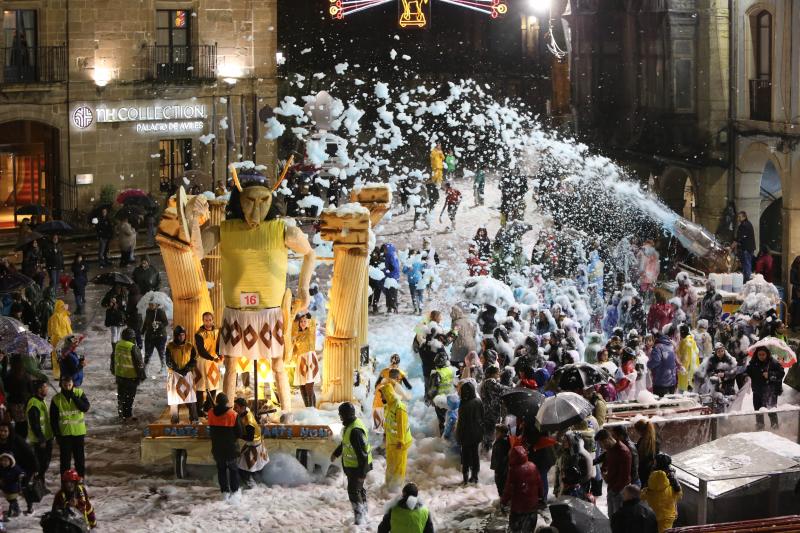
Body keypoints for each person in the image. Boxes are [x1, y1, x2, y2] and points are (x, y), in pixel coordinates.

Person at [330, 402, 373, 526]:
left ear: (346, 415)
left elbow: (362, 454)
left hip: (358, 468)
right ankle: (363, 514)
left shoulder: (355, 431)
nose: (340, 417)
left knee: (354, 492)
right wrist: (336, 453)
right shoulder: (351, 427)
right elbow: (345, 443)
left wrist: (361, 473)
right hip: (354, 467)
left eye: (341, 415)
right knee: (358, 490)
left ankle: (360, 519)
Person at [49, 375, 89, 478]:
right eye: (65, 385)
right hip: (64, 435)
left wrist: (74, 397)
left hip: (78, 433)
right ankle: (65, 483)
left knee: (80, 460)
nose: (67, 387)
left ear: (73, 384)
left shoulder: (79, 393)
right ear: (61, 385)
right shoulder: (56, 399)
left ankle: (80, 480)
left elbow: (85, 408)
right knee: (65, 462)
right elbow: (53, 419)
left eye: (69, 384)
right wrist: (57, 435)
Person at [501, 446, 543, 532]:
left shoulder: (513, 470)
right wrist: (541, 497)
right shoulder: (533, 466)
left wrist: (503, 502)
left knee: (516, 530)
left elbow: (508, 488)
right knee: (529, 530)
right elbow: (539, 483)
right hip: (532, 506)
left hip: (518, 508)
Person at [207, 393, 240, 498]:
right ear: (226, 402)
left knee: (221, 469)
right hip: (230, 448)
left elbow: (210, 429)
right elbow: (239, 432)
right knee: (233, 470)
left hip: (217, 447)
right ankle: (234, 491)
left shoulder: (210, 413)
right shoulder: (233, 414)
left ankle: (224, 492)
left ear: (216, 401)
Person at [381, 382, 412, 490]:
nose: (381, 397)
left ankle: (397, 486)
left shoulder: (399, 407)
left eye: (382, 395)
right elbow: (388, 423)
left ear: (388, 394)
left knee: (399, 465)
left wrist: (401, 441)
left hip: (399, 443)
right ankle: (390, 484)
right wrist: (385, 435)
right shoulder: (388, 406)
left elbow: (401, 425)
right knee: (391, 463)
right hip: (391, 441)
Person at [595, 428, 632, 517]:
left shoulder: (623, 452)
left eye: (601, 443)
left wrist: (614, 491)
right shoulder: (610, 449)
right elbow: (607, 461)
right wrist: (604, 470)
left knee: (618, 518)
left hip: (619, 491)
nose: (602, 447)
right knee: (611, 517)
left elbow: (625, 477)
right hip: (612, 488)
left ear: (607, 439)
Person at [166, 326, 198, 424]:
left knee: (191, 398)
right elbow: (168, 361)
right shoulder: (170, 346)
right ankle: (175, 421)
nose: (181, 337)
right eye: (179, 335)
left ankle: (194, 419)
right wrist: (177, 369)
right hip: (174, 376)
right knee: (174, 399)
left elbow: (194, 360)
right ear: (176, 336)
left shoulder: (190, 346)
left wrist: (186, 369)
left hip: (187, 375)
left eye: (183, 335)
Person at [746, 346, 785, 430]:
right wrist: (745, 375)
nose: (761, 356)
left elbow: (781, 373)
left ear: (767, 354)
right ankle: (760, 429)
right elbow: (747, 372)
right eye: (759, 354)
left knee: (771, 412)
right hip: (757, 391)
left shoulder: (773, 362)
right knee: (758, 412)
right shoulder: (753, 363)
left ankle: (775, 428)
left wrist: (770, 375)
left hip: (770, 391)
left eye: (763, 354)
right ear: (756, 354)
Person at [110, 328, 145, 421]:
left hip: (120, 375)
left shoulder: (118, 345)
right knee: (129, 397)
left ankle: (121, 413)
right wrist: (142, 375)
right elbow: (139, 363)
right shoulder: (133, 347)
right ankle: (127, 415)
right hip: (131, 376)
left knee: (121, 395)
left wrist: (113, 370)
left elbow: (112, 358)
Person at [233, 398, 268, 486]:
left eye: (236, 407)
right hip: (253, 444)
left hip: (254, 445)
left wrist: (238, 435)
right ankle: (256, 485)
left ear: (243, 407)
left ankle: (252, 487)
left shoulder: (249, 421)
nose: (234, 409)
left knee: (243, 468)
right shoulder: (246, 411)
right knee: (252, 468)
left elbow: (250, 437)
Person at [641, 455, 682, 533]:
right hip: (667, 516)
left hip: (652, 515)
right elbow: (678, 495)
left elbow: (642, 496)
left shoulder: (652, 480)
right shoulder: (671, 482)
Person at [373, 354, 412, 430]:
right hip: (396, 397)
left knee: (386, 413)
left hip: (386, 396)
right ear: (399, 363)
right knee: (396, 415)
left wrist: (380, 392)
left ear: (390, 361)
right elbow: (408, 386)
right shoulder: (401, 373)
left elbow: (377, 384)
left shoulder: (384, 371)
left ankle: (384, 431)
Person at [456, 381, 483, 485]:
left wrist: (458, 436)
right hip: (477, 433)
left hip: (466, 434)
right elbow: (482, 416)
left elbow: (461, 423)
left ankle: (465, 477)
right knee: (475, 455)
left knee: (466, 456)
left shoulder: (463, 404)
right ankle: (475, 476)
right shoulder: (478, 401)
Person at [194, 312, 222, 413]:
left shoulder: (217, 331)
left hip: (213, 361)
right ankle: (198, 410)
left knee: (213, 385)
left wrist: (220, 355)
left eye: (210, 320)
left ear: (212, 320)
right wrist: (212, 358)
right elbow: (201, 350)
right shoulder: (199, 334)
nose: (208, 322)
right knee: (201, 387)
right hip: (202, 361)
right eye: (206, 320)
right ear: (203, 320)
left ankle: (208, 408)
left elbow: (219, 345)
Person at [291, 312, 320, 408]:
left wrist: (304, 311)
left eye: (305, 321)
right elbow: (295, 349)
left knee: (309, 387)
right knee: (302, 386)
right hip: (301, 361)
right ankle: (308, 408)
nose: (303, 323)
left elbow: (312, 321)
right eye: (301, 321)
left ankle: (313, 410)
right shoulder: (297, 334)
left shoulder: (311, 331)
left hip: (310, 359)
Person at [26, 380, 52, 481]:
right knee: (42, 464)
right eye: (45, 387)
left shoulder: (41, 400)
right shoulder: (34, 403)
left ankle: (40, 483)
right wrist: (41, 438)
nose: (47, 389)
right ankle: (38, 484)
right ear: (39, 389)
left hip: (46, 437)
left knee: (44, 463)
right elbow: (34, 424)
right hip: (40, 440)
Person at [480, 366, 509, 451]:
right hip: (490, 412)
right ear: (493, 374)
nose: (499, 374)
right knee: (490, 433)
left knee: (488, 433)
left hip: (488, 411)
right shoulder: (490, 381)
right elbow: (501, 389)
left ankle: (485, 451)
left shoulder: (486, 381)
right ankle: (486, 452)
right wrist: (512, 388)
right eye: (497, 372)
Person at [426, 352, 455, 435]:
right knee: (450, 418)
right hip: (451, 398)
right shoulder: (450, 370)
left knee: (442, 420)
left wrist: (429, 399)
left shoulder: (436, 374)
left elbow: (433, 389)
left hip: (440, 400)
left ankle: (444, 437)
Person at [142, 296, 169, 373]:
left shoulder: (160, 311)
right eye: (149, 304)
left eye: (152, 304)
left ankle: (163, 367)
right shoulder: (148, 311)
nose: (150, 306)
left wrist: (158, 324)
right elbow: (146, 322)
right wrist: (142, 331)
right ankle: (145, 367)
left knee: (161, 352)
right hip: (149, 335)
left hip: (160, 336)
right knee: (148, 352)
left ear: (157, 304)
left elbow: (165, 322)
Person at [47, 299, 72, 379]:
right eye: (62, 306)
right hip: (57, 341)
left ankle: (64, 372)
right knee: (57, 358)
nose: (63, 308)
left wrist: (70, 337)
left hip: (65, 340)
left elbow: (68, 328)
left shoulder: (65, 316)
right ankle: (58, 375)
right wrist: (62, 338)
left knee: (65, 357)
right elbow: (55, 330)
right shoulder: (55, 317)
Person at [648, 331, 677, 397]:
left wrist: (648, 365)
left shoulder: (658, 347)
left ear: (655, 338)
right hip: (672, 381)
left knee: (660, 404)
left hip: (661, 382)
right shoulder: (671, 346)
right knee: (669, 403)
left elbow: (655, 361)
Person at [633, 419, 659, 488]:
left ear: (641, 431)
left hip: (644, 471)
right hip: (649, 471)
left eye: (637, 431)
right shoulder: (655, 440)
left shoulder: (643, 441)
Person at [676, 324, 699, 393]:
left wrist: (681, 369)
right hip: (693, 372)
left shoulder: (685, 342)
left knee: (684, 394)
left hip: (686, 374)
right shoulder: (692, 341)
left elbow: (686, 359)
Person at [734, 211, 756, 282]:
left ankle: (746, 281)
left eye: (740, 217)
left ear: (744, 217)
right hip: (748, 248)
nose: (738, 218)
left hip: (747, 249)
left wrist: (731, 247)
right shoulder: (747, 224)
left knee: (747, 265)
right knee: (746, 264)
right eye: (738, 217)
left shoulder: (744, 225)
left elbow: (739, 238)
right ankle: (745, 279)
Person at [0, 452, 24, 517]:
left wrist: (21, 475)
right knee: (10, 500)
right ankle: (15, 509)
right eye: (2, 460)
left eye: (6, 461)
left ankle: (13, 510)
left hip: (13, 487)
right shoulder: (2, 468)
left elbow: (21, 472)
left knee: (12, 500)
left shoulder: (15, 468)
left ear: (10, 461)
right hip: (5, 487)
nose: (3, 462)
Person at [490, 424, 511, 497]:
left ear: (502, 433)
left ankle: (502, 502)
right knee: (503, 486)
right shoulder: (507, 440)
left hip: (501, 470)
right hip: (504, 469)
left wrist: (497, 471)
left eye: (497, 432)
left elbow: (499, 458)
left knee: (500, 486)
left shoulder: (501, 443)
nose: (495, 433)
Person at [382, 243, 401, 314]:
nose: (384, 250)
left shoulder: (390, 255)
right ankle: (391, 307)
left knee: (391, 293)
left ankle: (393, 307)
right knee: (390, 293)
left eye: (385, 249)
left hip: (392, 277)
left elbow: (394, 267)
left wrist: (386, 271)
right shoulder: (391, 255)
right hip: (392, 277)